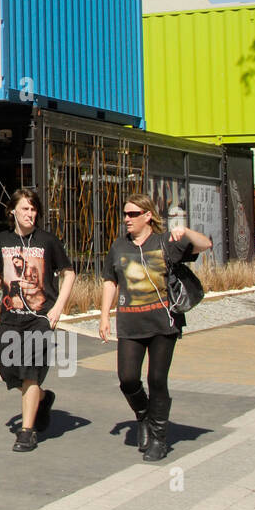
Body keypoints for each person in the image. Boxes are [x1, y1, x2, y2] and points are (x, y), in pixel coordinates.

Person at [100, 194, 212, 462]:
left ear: (147, 216)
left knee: (157, 380)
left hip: (163, 323)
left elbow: (205, 244)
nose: (126, 219)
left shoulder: (165, 242)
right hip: (130, 323)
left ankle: (159, 439)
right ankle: (144, 417)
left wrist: (184, 231)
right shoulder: (118, 247)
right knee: (127, 379)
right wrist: (104, 315)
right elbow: (109, 281)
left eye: (132, 214)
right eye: (125, 214)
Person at [0, 188, 74, 453]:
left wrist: (57, 308)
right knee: (10, 372)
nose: (30, 214)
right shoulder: (1, 241)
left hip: (39, 318)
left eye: (33, 209)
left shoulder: (47, 241)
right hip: (11, 318)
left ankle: (27, 432)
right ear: (13, 211)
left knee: (31, 373)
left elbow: (69, 273)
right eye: (25, 208)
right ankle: (44, 399)